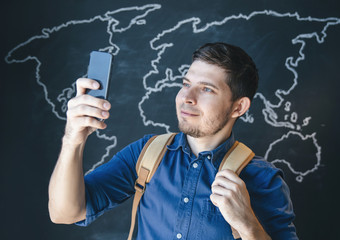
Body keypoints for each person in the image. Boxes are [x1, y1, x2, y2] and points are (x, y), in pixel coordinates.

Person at [48, 42, 298, 239]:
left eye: (206, 89)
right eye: (186, 83)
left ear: (239, 107)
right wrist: (73, 139)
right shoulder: (146, 153)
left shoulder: (263, 179)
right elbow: (64, 213)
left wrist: (249, 225)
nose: (186, 97)